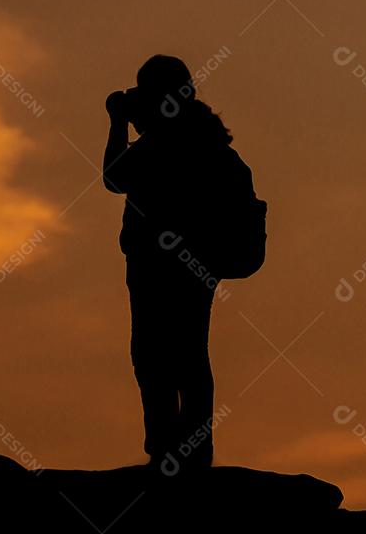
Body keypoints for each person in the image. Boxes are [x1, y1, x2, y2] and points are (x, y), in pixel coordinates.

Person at [103, 55, 257, 474]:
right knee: (186, 354)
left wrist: (118, 122)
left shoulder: (164, 141)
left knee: (155, 355)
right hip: (192, 265)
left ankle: (169, 449)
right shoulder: (203, 137)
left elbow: (114, 177)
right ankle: (189, 452)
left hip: (158, 265)